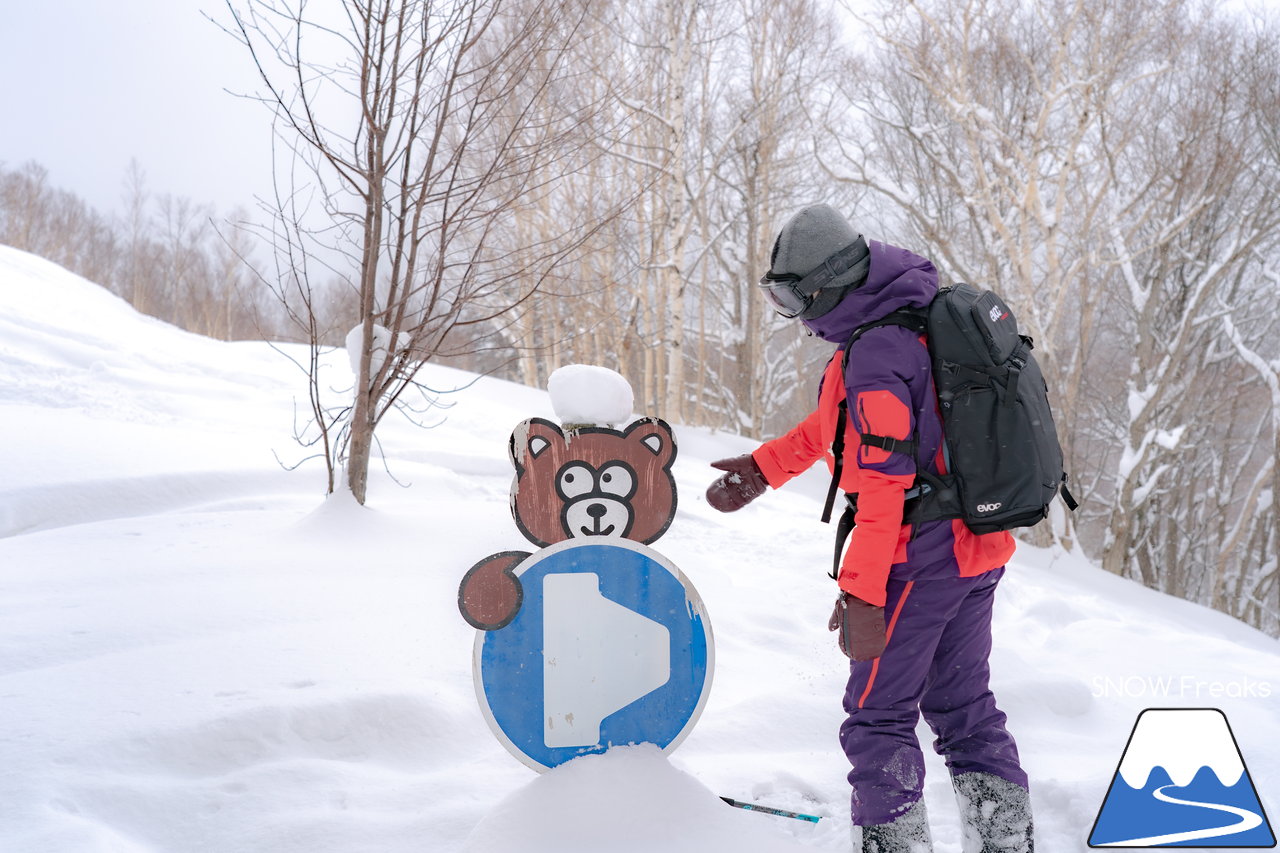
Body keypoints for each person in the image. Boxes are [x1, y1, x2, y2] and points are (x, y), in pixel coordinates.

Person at [705, 204, 1033, 853]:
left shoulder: (879, 350)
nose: (793, 312)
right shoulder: (914, 319)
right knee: (964, 709)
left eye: (792, 295)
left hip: (923, 555)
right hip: (977, 545)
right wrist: (766, 467)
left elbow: (882, 479)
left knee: (877, 718)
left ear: (828, 285)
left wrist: (863, 591)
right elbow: (844, 426)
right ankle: (1006, 841)